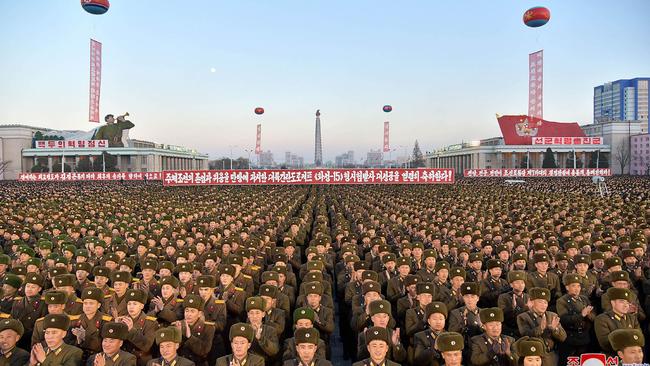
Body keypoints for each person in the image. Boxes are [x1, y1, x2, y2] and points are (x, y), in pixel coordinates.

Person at [594, 287, 640, 355]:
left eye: (627, 303)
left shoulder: (632, 318)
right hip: (612, 357)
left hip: (631, 357)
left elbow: (638, 338)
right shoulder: (602, 319)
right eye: (622, 301)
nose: (625, 305)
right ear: (613, 303)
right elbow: (605, 343)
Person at [173, 294, 215, 366]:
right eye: (187, 311)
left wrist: (190, 337)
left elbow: (203, 351)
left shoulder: (208, 328)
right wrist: (178, 336)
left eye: (192, 311)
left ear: (199, 314)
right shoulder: (177, 326)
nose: (188, 314)